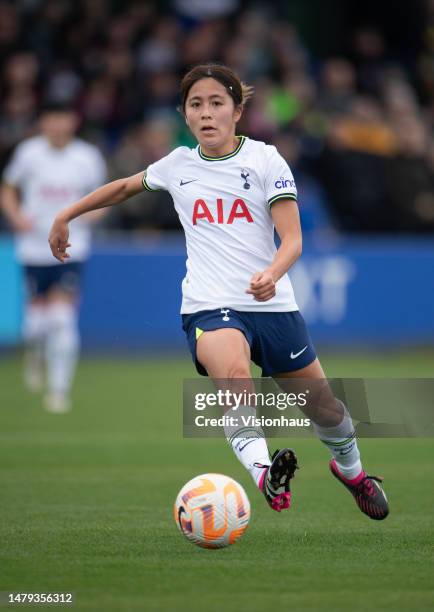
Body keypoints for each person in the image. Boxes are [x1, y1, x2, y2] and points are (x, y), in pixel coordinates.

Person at [48, 64, 389, 519]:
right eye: (195, 105)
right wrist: (66, 214)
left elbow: (293, 240)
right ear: (184, 116)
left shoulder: (265, 160)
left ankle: (353, 474)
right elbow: (127, 186)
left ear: (237, 111)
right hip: (209, 306)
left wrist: (272, 272)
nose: (206, 113)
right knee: (234, 378)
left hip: (273, 306)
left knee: (327, 410)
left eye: (216, 103)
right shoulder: (178, 165)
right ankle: (266, 475)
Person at [1, 102, 107, 413]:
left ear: (73, 121)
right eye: (52, 119)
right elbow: (8, 188)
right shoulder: (28, 153)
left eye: (64, 118)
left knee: (62, 319)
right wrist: (17, 217)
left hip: (72, 247)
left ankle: (59, 391)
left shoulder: (87, 156)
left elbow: (106, 193)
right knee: (35, 325)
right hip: (33, 247)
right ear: (43, 122)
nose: (58, 125)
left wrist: (93, 216)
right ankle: (34, 352)